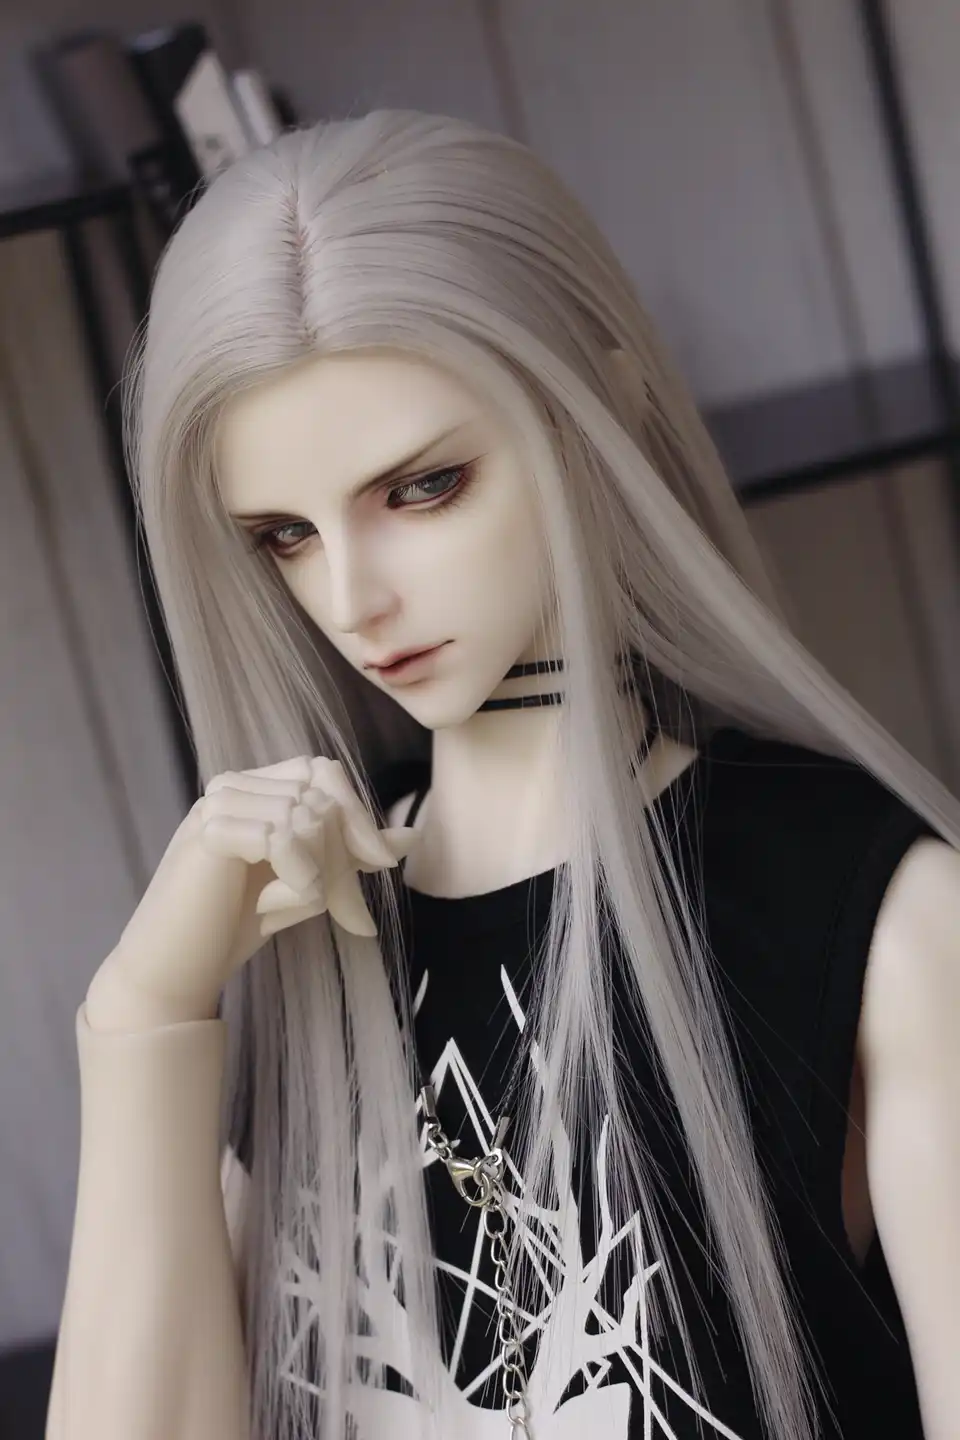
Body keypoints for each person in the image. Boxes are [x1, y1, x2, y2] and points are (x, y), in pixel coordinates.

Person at [46, 110, 960, 1440]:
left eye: (423, 487)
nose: (353, 599)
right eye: (287, 535)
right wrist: (143, 1022)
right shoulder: (304, 943)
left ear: (603, 406)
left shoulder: (877, 918)